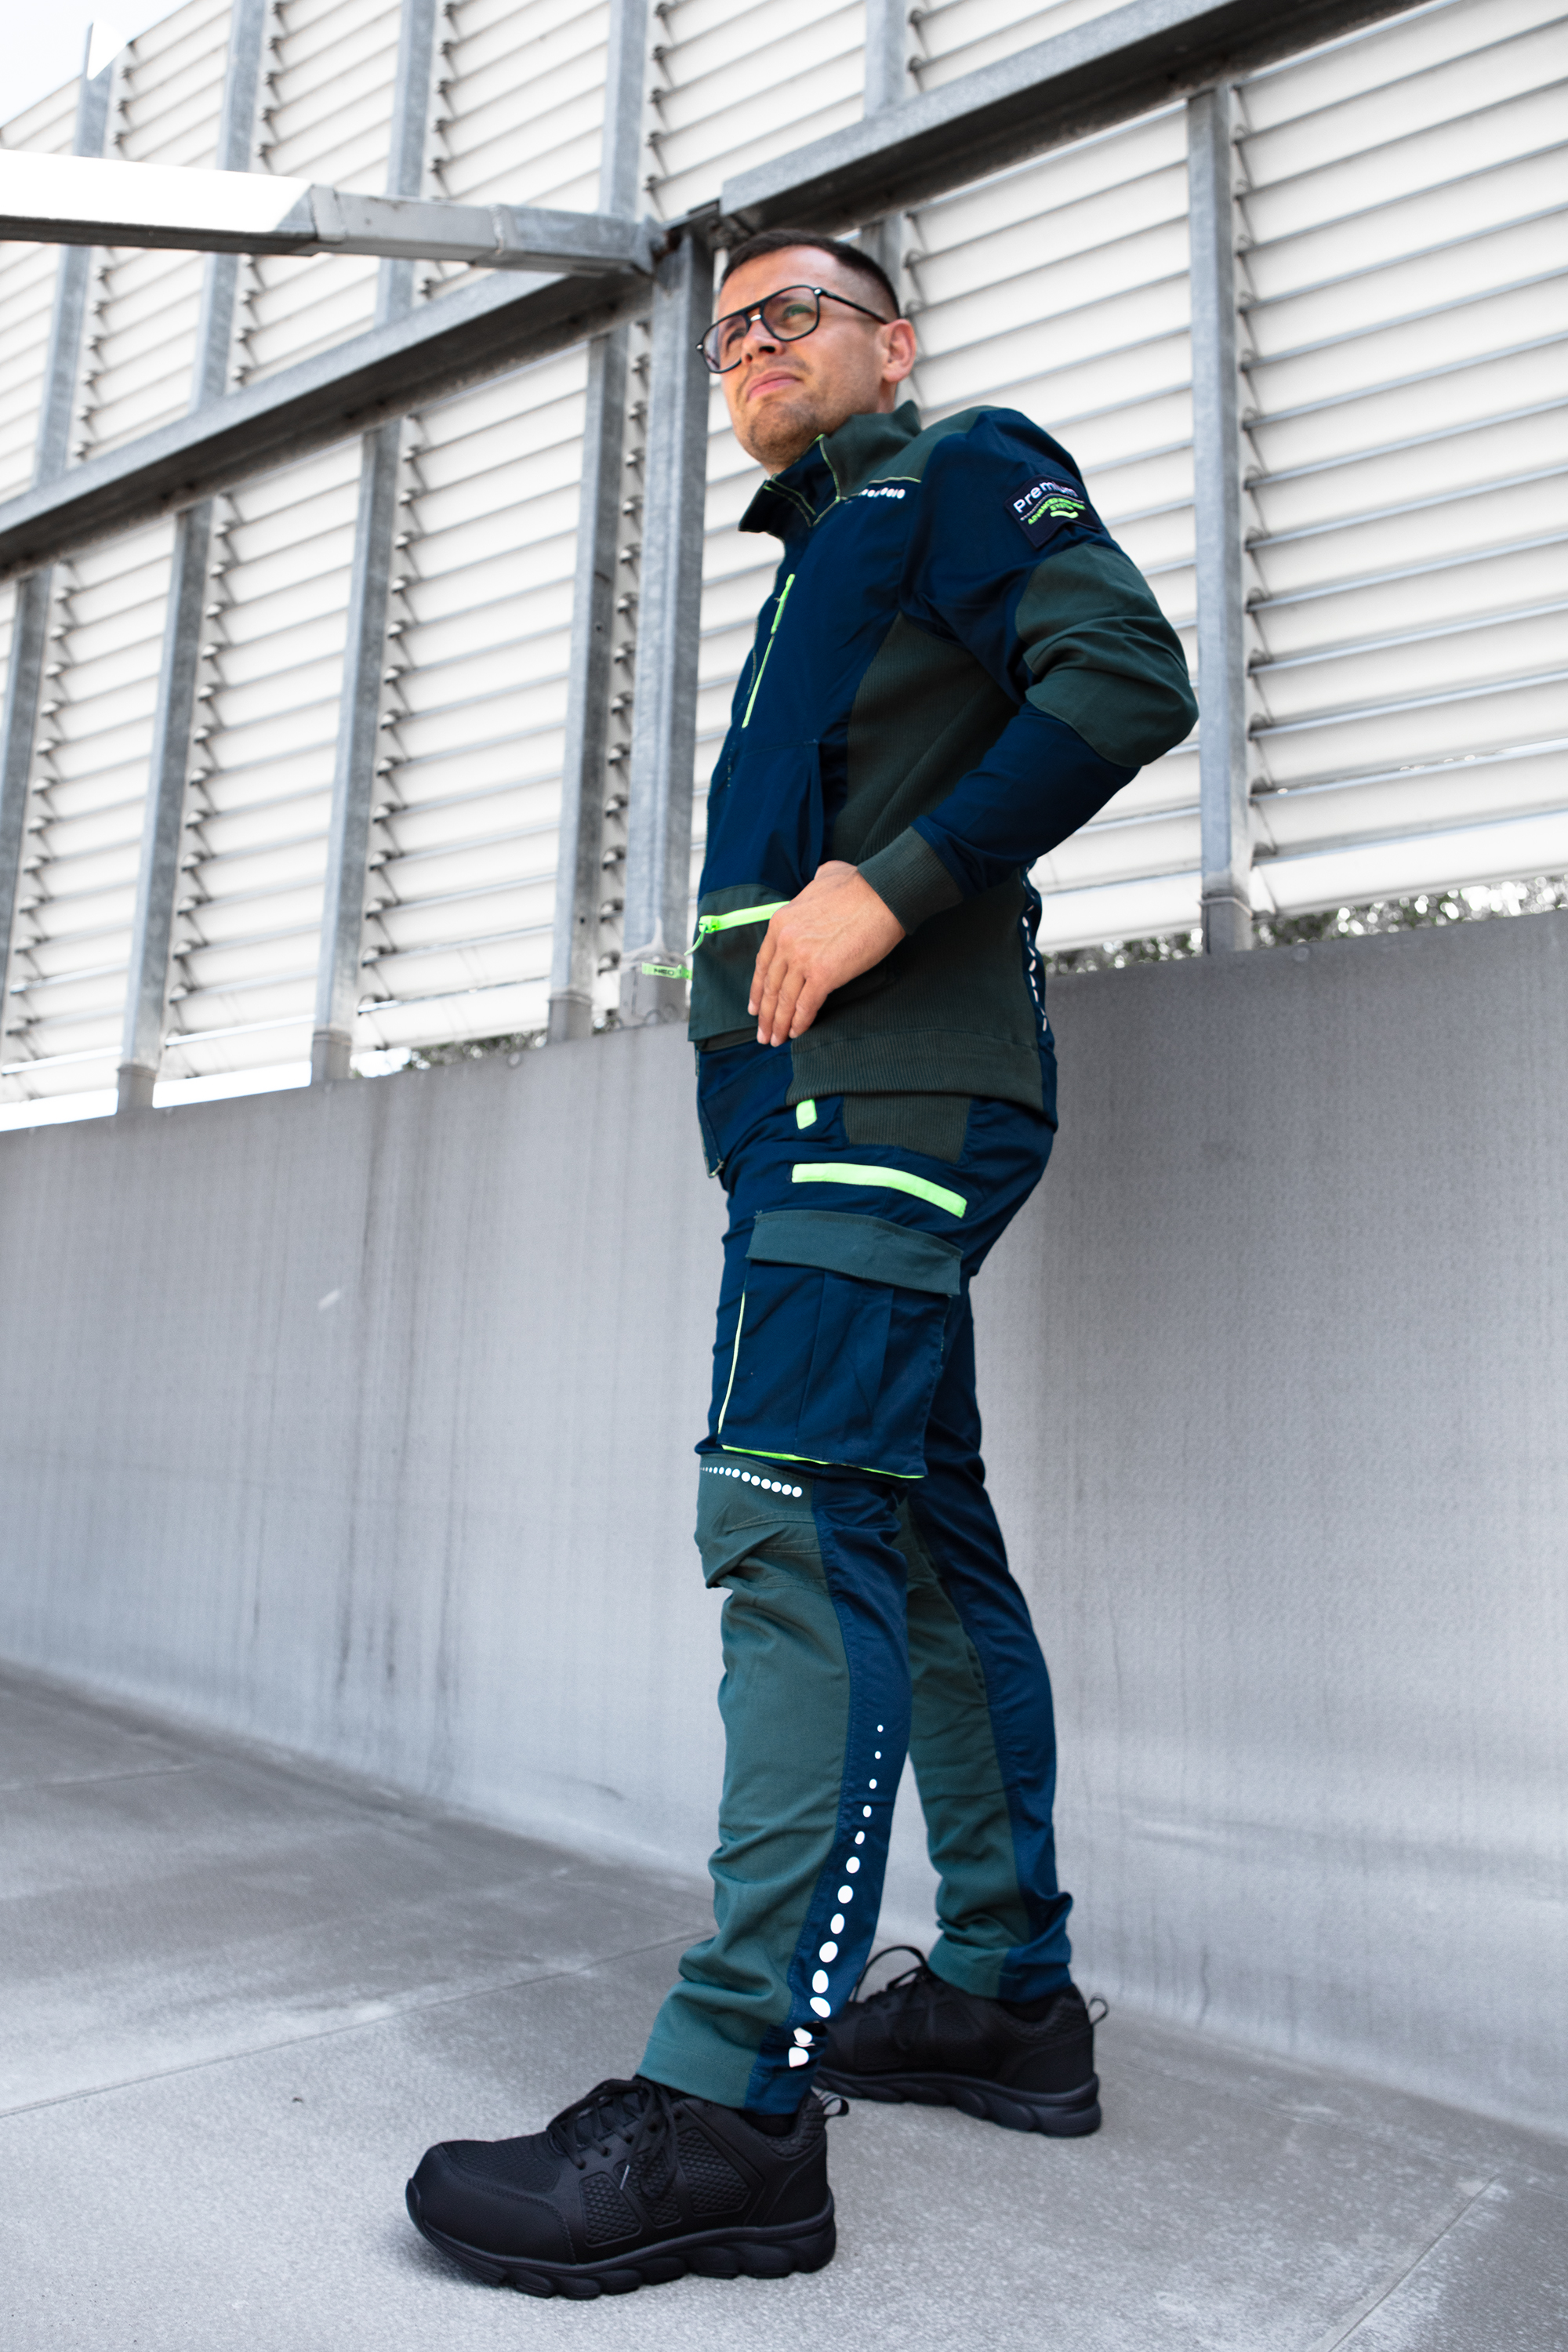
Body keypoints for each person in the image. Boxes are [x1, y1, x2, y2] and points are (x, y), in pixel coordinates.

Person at [406, 227, 1197, 2299]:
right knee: (912, 1529)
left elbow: (1128, 679)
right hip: (820, 1122)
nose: (756, 342)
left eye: (798, 313)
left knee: (787, 1517)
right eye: (732, 328)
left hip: (895, 1100)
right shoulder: (821, 558)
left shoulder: (959, 469)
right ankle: (1008, 1998)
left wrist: (893, 889)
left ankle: (734, 2106)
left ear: (892, 344)